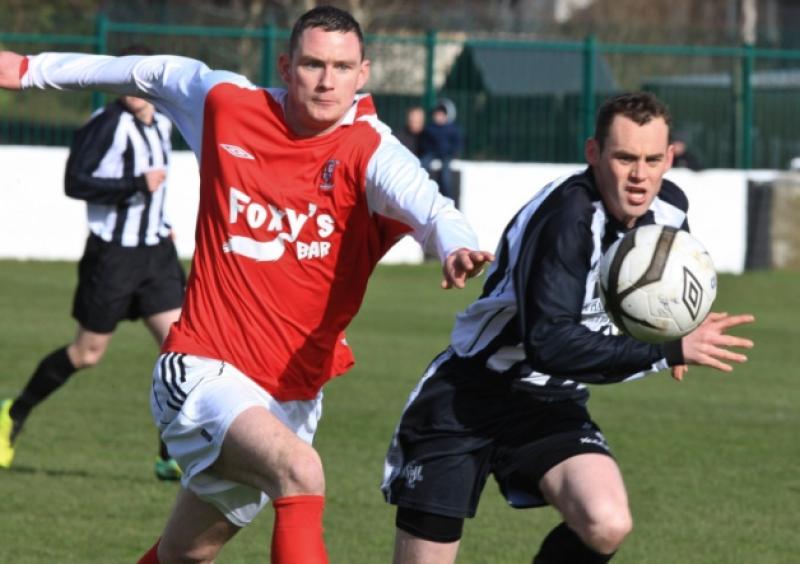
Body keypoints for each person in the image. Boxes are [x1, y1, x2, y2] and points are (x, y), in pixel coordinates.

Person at [0, 6, 492, 563]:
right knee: (301, 474)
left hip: (291, 396)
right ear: (286, 67)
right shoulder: (226, 103)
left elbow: (432, 207)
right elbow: (140, 73)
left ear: (363, 74)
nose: (326, 80)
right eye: (311, 64)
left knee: (184, 553)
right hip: (202, 368)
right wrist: (27, 69)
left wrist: (455, 243)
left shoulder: (371, 149)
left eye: (341, 66)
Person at [382, 92, 755, 564]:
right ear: (594, 154)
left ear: (669, 158)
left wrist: (676, 329)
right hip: (468, 397)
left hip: (549, 403)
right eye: (624, 158)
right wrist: (666, 353)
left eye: (652, 159)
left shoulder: (671, 209)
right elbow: (548, 343)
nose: (639, 175)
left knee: (607, 522)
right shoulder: (568, 219)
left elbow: (665, 284)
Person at [0, 45, 185, 481]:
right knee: (87, 353)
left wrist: (164, 222)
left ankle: (169, 454)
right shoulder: (106, 126)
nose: (135, 88)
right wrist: (134, 184)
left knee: (181, 352)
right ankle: (12, 412)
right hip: (113, 257)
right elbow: (75, 182)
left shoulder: (162, 122)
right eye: (127, 78)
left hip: (156, 255)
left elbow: (157, 192)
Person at [419, 99, 463, 202]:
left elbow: (458, 143)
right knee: (422, 165)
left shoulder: (453, 129)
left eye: (441, 114)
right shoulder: (430, 128)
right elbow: (425, 143)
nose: (438, 117)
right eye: (436, 114)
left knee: (445, 175)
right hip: (432, 153)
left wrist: (453, 152)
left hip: (447, 155)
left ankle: (448, 197)